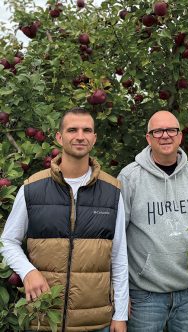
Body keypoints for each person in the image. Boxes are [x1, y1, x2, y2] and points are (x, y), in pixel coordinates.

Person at [0, 107, 128, 332]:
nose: (80, 136)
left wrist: (120, 315)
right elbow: (7, 241)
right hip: (44, 319)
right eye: (72, 130)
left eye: (87, 130)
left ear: (94, 138)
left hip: (96, 323)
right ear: (59, 137)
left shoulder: (112, 191)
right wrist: (27, 271)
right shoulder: (32, 188)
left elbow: (118, 256)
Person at [118, 110, 188, 332]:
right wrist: (120, 292)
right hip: (144, 296)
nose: (165, 135)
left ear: (180, 136)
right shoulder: (129, 178)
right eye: (158, 131)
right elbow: (117, 238)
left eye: (171, 130)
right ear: (148, 138)